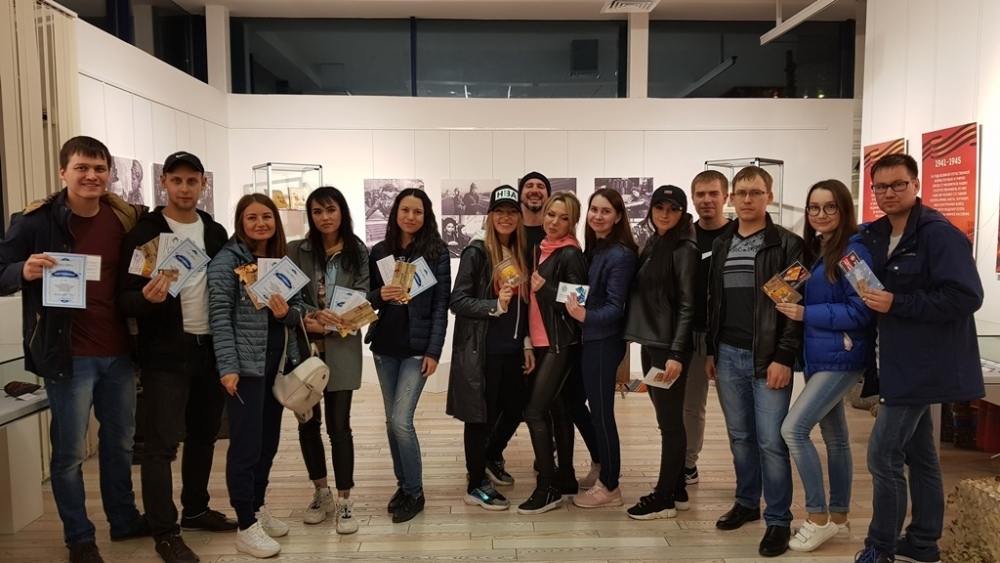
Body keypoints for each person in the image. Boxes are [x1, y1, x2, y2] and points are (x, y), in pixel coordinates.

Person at [0, 136, 148, 563]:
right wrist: (21, 270)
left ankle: (123, 520)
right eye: (82, 167)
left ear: (109, 174)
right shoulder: (35, 221)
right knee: (68, 455)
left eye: (99, 168)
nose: (91, 176)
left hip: (120, 353)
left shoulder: (123, 218)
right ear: (63, 172)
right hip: (68, 355)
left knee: (120, 445)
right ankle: (79, 537)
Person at [854, 154, 984, 563]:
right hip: (895, 362)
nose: (889, 193)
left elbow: (966, 297)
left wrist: (900, 302)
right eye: (880, 187)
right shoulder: (877, 233)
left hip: (923, 366)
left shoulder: (938, 234)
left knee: (882, 455)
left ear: (916, 185)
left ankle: (881, 546)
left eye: (898, 185)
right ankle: (924, 542)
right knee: (921, 455)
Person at [118, 151, 235, 563]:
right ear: (164, 182)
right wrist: (147, 299)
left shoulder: (215, 232)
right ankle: (165, 531)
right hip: (166, 353)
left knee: (204, 436)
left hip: (211, 348)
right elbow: (125, 298)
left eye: (192, 181)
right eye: (177, 180)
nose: (185, 188)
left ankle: (196, 509)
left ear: (203, 183)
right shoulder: (145, 234)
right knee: (160, 447)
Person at [706, 166, 806, 557]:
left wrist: (784, 356)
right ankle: (747, 502)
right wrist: (712, 350)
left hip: (768, 359)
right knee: (740, 437)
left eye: (756, 192)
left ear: (769, 196)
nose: (748, 199)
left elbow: (792, 306)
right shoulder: (722, 244)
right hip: (728, 355)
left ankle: (779, 519)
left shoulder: (788, 245)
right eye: (742, 192)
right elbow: (714, 302)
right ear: (732, 198)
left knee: (771, 441)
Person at [774, 179, 874, 552]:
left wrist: (805, 313)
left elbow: (863, 310)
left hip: (842, 356)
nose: (821, 214)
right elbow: (781, 291)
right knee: (836, 438)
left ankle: (817, 517)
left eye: (829, 206)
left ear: (844, 209)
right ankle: (841, 518)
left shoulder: (853, 253)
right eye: (814, 207)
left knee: (793, 429)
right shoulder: (817, 249)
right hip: (820, 356)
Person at [208, 194, 303, 559]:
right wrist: (228, 367)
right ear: (240, 222)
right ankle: (245, 524)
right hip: (245, 368)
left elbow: (298, 310)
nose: (260, 223)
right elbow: (219, 317)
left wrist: (285, 313)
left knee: (268, 443)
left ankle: (258, 506)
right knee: (246, 447)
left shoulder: (280, 261)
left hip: (276, 366)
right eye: (252, 217)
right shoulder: (226, 262)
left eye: (267, 216)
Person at [366, 188, 451, 524]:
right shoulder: (380, 251)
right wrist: (380, 294)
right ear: (395, 213)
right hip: (384, 346)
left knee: (402, 421)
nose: (411, 217)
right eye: (405, 210)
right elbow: (366, 298)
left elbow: (441, 305)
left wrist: (434, 350)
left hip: (417, 350)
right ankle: (403, 486)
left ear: (426, 216)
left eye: (418, 211)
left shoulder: (436, 252)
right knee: (391, 423)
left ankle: (415, 491)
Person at [288, 187, 369, 534]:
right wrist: (311, 314)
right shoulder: (296, 250)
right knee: (308, 423)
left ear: (342, 212)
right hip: (304, 347)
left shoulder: (357, 251)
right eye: (318, 211)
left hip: (343, 348)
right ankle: (321, 493)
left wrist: (331, 323)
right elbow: (288, 294)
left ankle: (345, 500)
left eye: (331, 210)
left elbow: (363, 298)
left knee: (339, 426)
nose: (325, 217)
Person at [448, 185, 534, 511]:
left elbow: (523, 307)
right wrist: (494, 306)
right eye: (500, 211)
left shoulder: (519, 251)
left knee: (518, 407)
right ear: (490, 216)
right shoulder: (477, 251)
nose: (506, 217)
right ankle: (475, 485)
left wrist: (525, 342)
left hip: (512, 349)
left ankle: (489, 456)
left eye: (512, 212)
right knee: (479, 417)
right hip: (484, 349)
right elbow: (458, 300)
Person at [622, 186, 698, 519]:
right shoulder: (657, 241)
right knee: (666, 419)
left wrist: (676, 354)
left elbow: (687, 304)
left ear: (682, 212)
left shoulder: (684, 248)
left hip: (667, 349)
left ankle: (664, 497)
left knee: (670, 423)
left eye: (673, 208)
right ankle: (677, 489)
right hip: (652, 343)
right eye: (659, 207)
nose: (665, 214)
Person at [516, 192, 588, 515]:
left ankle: (547, 487)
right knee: (559, 412)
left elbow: (579, 300)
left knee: (534, 412)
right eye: (551, 215)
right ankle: (566, 478)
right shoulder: (541, 249)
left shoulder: (570, 253)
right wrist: (528, 342)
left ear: (573, 222)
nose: (555, 222)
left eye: (563, 217)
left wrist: (543, 289)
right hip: (542, 342)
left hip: (560, 344)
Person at [480, 171, 553, 488]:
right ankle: (485, 459)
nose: (535, 191)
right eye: (529, 186)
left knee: (532, 402)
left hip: (539, 337)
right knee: (500, 404)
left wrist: (525, 341)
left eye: (541, 186)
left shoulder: (545, 238)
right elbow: (463, 298)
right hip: (499, 340)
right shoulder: (492, 246)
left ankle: (538, 456)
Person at [568, 188, 637, 508]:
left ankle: (610, 485)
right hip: (588, 340)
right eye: (594, 209)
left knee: (601, 414)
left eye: (606, 211)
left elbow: (615, 307)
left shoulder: (621, 254)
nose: (597, 216)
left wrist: (584, 316)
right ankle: (600, 462)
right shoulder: (594, 249)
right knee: (573, 402)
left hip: (604, 341)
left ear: (618, 216)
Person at [682, 170, 730, 486]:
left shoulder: (738, 235)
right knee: (690, 407)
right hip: (690, 334)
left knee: (736, 411)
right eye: (700, 194)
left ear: (725, 196)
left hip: (728, 337)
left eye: (713, 193)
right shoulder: (684, 235)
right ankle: (688, 464)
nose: (707, 200)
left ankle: (749, 473)